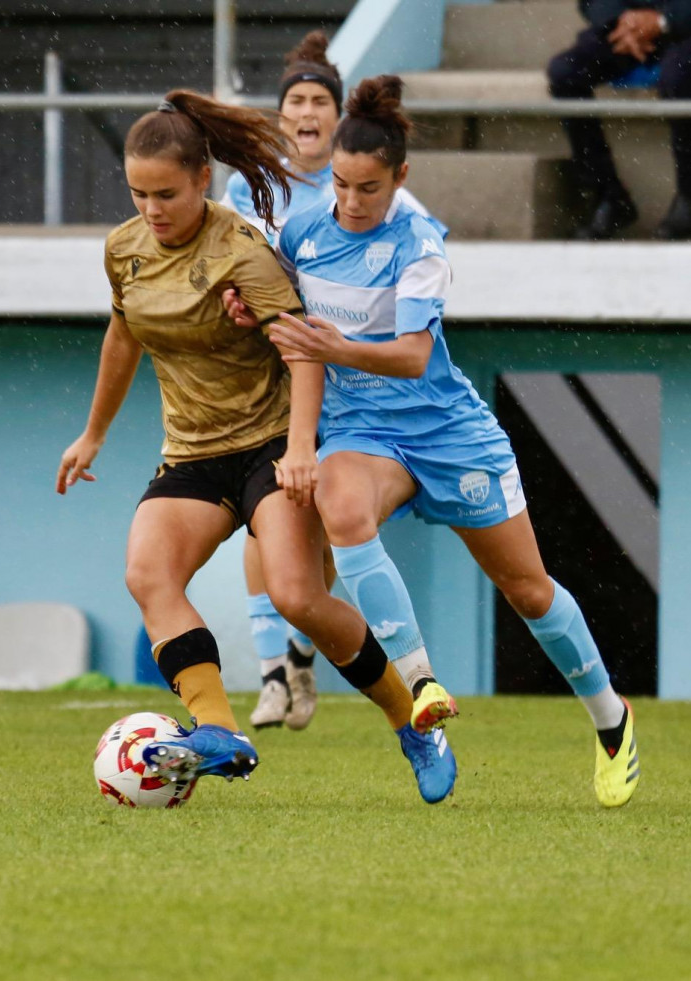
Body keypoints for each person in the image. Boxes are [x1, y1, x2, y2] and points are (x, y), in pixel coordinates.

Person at [238, 73, 639, 807]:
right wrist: (251, 310)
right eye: (343, 184)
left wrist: (336, 347)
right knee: (340, 503)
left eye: (369, 188)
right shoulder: (301, 234)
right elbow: (286, 328)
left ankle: (611, 721)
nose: (352, 202)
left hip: (449, 434)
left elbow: (414, 355)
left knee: (526, 589)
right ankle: (421, 683)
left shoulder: (418, 243)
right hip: (363, 432)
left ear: (400, 178)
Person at [56, 89, 456, 803]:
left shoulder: (240, 247)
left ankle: (411, 722)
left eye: (167, 193)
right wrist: (94, 433)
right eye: (139, 194)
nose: (152, 209)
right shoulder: (123, 251)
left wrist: (301, 449)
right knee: (148, 575)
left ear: (202, 179)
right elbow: (123, 336)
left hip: (271, 443)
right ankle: (217, 730)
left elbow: (303, 353)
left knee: (298, 595)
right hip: (193, 451)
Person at [220, 30, 455, 735]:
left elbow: (409, 266)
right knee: (266, 517)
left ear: (334, 115)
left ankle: (303, 644)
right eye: (295, 99)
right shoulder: (248, 186)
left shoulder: (360, 187)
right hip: (274, 367)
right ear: (281, 115)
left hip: (346, 374)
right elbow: (243, 268)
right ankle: (273, 670)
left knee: (321, 515)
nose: (306, 112)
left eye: (319, 99)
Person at [548, 0, 691, 241]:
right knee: (566, 72)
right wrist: (624, 21)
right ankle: (609, 198)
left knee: (677, 77)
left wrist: (661, 21)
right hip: (631, 25)